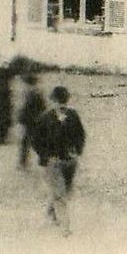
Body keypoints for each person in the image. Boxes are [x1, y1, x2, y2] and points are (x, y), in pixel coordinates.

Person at [33, 86, 86, 235]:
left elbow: (81, 135)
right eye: (59, 102)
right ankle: (65, 228)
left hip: (69, 161)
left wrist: (77, 151)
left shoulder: (73, 115)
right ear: (53, 101)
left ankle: (51, 214)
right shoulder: (45, 118)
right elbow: (36, 140)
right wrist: (45, 156)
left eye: (63, 102)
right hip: (53, 161)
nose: (61, 105)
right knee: (60, 193)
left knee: (64, 191)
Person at [17, 71, 46, 168]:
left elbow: (25, 108)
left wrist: (21, 118)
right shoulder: (37, 92)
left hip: (31, 121)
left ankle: (23, 162)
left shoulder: (30, 93)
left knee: (27, 142)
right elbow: (43, 107)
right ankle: (41, 160)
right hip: (36, 120)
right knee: (35, 141)